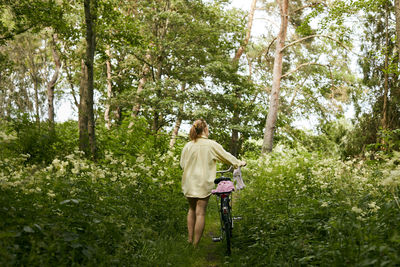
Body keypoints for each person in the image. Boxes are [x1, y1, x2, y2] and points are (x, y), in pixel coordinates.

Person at [180, 119, 246, 247]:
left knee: (192, 209)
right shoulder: (211, 145)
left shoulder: (188, 145)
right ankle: (195, 245)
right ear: (205, 129)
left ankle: (189, 240)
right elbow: (226, 156)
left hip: (189, 182)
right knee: (200, 212)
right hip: (203, 182)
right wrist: (238, 163)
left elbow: (182, 164)